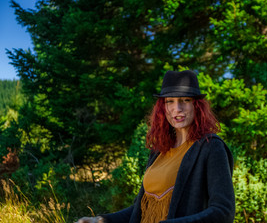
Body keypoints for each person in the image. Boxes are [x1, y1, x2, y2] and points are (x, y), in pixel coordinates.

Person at [76, 70, 235, 223]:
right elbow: (140, 210)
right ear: (162, 108)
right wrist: (102, 220)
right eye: (169, 101)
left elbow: (223, 211)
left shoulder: (211, 147)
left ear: (197, 105)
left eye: (185, 100)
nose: (176, 108)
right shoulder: (159, 150)